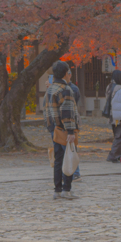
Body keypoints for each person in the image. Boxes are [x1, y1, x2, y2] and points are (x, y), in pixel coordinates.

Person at [45, 60, 79, 199]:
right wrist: (71, 131)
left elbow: (46, 110)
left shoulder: (50, 89)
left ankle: (57, 189)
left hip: (54, 128)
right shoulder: (66, 89)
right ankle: (67, 189)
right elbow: (67, 112)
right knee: (68, 157)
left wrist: (50, 127)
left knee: (58, 159)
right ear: (66, 73)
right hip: (65, 129)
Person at [105, 69, 121, 163]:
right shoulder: (119, 87)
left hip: (111, 115)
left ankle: (117, 155)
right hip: (117, 116)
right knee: (119, 136)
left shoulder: (109, 86)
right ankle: (113, 155)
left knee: (117, 135)